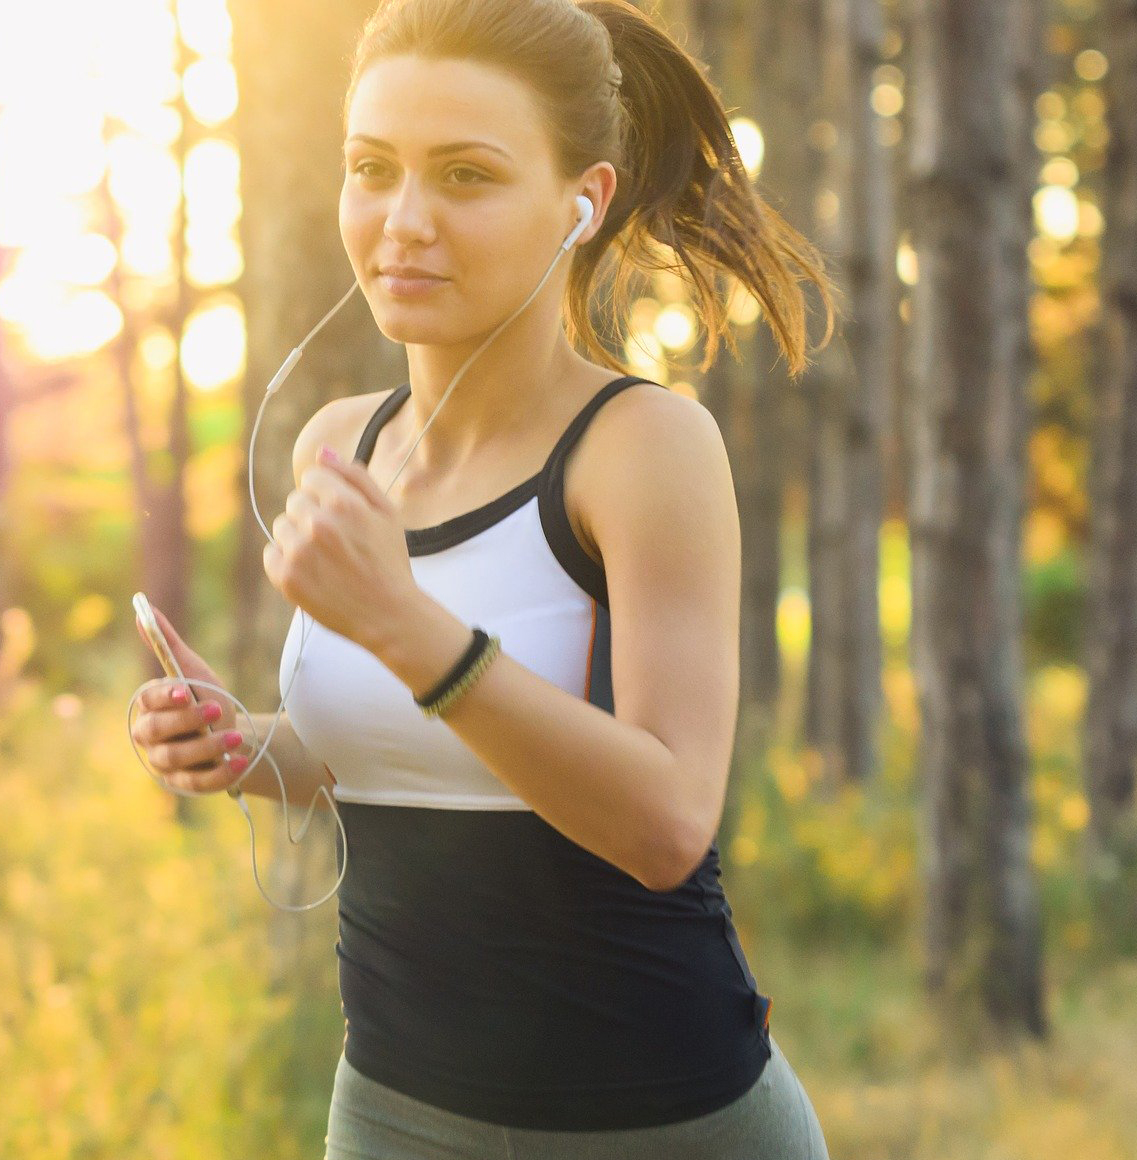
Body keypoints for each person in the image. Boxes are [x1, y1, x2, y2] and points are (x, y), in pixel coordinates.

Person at [132, 0, 839, 1154]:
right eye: (373, 169)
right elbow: (402, 754)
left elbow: (665, 821)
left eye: (464, 175)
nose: (402, 222)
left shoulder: (640, 446)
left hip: (666, 1119)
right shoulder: (338, 441)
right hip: (394, 1109)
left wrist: (410, 629)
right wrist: (246, 746)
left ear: (584, 202)